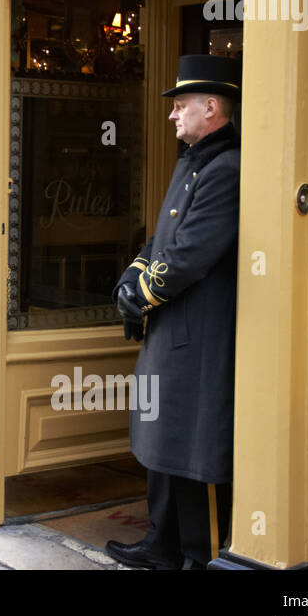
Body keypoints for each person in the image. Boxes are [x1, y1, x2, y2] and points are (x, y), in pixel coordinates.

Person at [106, 53, 242, 570]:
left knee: (192, 448)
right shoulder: (195, 160)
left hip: (197, 334)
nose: (172, 114)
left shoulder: (225, 168)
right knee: (162, 444)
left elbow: (190, 256)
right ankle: (161, 546)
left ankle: (198, 556)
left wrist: (138, 294)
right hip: (171, 327)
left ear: (211, 107)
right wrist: (130, 278)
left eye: (180, 104)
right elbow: (162, 240)